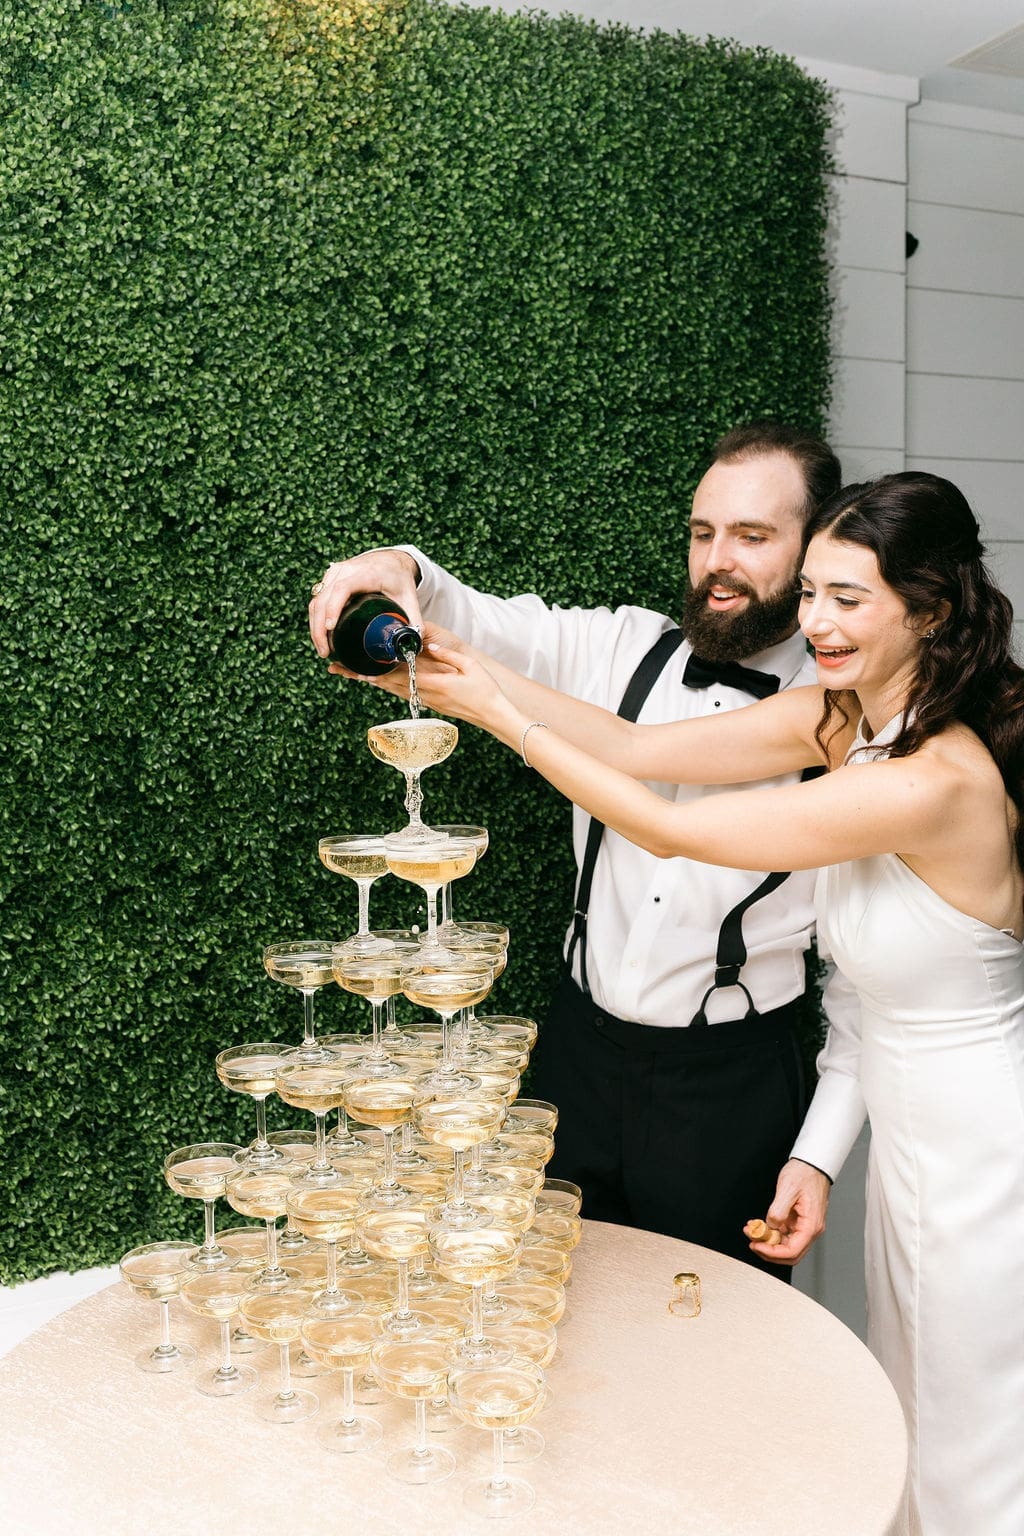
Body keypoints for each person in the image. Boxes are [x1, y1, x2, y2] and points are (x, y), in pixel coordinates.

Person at [371, 470, 1024, 1536]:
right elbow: (638, 754)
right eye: (807, 592)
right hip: (907, 1143)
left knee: (975, 1443)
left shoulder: (936, 779)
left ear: (931, 609)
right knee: (912, 1413)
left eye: (846, 600)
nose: (812, 622)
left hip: (985, 1151)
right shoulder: (839, 722)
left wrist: (493, 715)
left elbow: (674, 829)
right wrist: (468, 670)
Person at [309, 423, 843, 1273]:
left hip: (733, 1087)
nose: (718, 561)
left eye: (752, 535)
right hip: (575, 1063)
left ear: (816, 552)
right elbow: (480, 621)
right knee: (543, 1310)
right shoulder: (622, 647)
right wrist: (399, 571)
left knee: (719, 1348)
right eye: (704, 534)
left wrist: (815, 1150)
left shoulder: (845, 721)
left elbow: (861, 982)